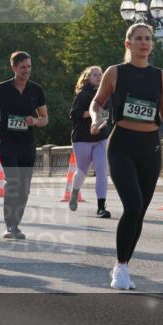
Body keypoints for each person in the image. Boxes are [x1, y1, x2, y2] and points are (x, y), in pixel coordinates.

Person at [91, 23, 163, 290]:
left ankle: (125, 265)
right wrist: (97, 117)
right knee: (132, 205)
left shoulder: (160, 76)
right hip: (122, 144)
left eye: (148, 39)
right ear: (128, 44)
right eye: (138, 38)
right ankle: (120, 268)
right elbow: (97, 102)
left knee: (140, 211)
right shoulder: (115, 73)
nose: (144, 43)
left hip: (150, 147)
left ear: (151, 44)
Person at [0, 51, 48, 240]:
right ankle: (10, 225)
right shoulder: (1, 89)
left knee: (24, 187)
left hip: (27, 143)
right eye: (23, 67)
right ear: (14, 67)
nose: (26, 71)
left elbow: (45, 119)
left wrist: (35, 121)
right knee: (13, 181)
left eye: (29, 67)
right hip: (7, 142)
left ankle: (16, 223)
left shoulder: (36, 90)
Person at [69, 65, 111, 217]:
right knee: (82, 171)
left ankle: (101, 207)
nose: (99, 77)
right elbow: (73, 115)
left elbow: (106, 114)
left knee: (102, 171)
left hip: (101, 137)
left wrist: (102, 121)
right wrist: (91, 114)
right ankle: (74, 192)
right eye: (95, 75)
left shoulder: (106, 94)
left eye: (100, 74)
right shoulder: (82, 94)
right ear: (87, 78)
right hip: (82, 138)